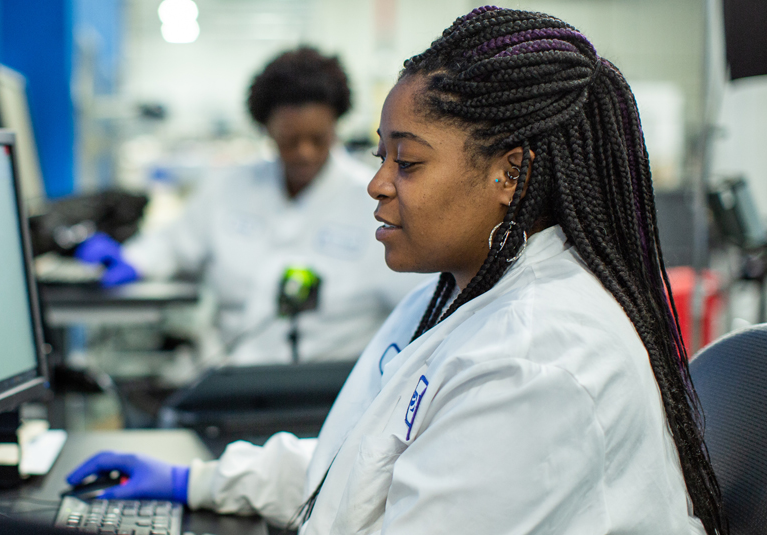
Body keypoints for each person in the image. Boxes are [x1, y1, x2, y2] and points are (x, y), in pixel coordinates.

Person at [67, 7, 726, 534]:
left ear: (511, 173)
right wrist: (197, 482)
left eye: (407, 163)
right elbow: (360, 465)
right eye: (381, 155)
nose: (376, 184)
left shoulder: (536, 360)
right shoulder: (456, 293)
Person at [78, 47, 426, 365]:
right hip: (228, 376)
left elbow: (417, 307)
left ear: (336, 126)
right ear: (266, 130)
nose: (305, 152)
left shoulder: (376, 198)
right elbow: (173, 244)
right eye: (290, 141)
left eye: (318, 139)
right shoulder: (229, 187)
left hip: (326, 389)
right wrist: (132, 260)